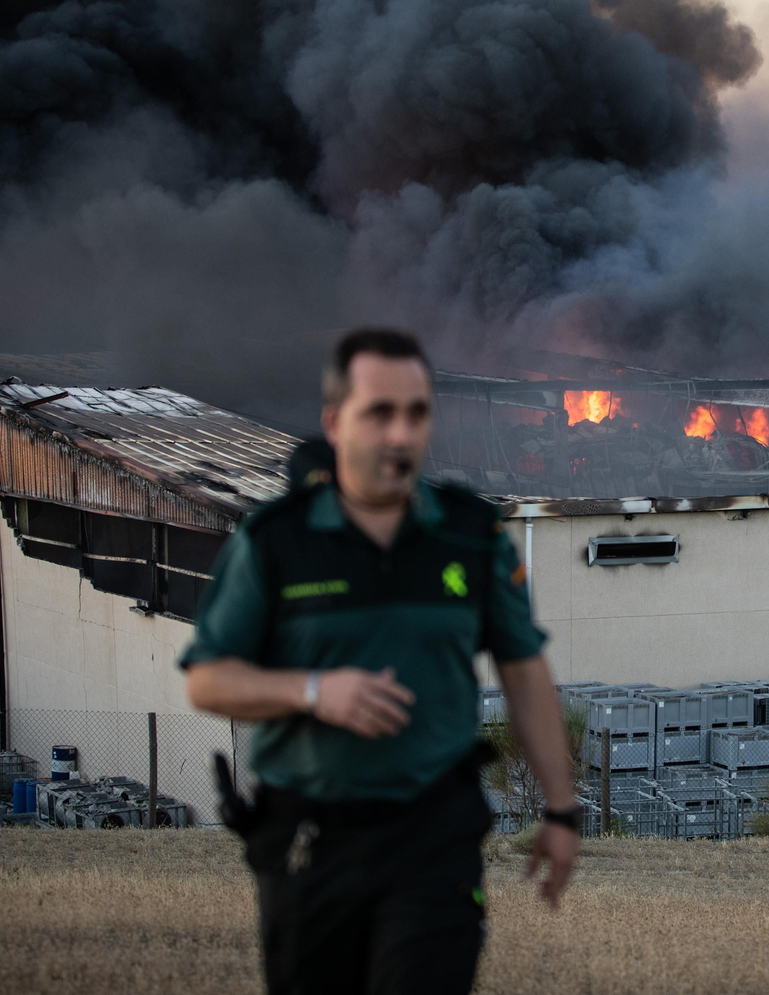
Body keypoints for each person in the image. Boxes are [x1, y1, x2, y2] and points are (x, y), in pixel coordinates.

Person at [181, 328, 581, 994]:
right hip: (312, 843)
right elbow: (207, 678)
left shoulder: (470, 536)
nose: (400, 434)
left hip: (433, 840)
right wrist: (313, 691)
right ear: (336, 423)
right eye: (380, 414)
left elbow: (523, 668)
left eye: (417, 414)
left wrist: (562, 812)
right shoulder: (277, 540)